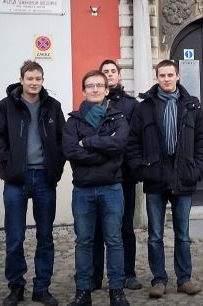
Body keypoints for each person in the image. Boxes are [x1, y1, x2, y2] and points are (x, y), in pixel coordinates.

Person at [126, 60, 203, 298]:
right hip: (155, 178)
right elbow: (133, 143)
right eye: (162, 75)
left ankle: (184, 279)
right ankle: (159, 280)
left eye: (170, 75)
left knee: (182, 235)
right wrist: (141, 170)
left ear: (177, 76)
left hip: (183, 177)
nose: (166, 79)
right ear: (157, 77)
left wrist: (196, 169)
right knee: (155, 235)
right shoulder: (144, 108)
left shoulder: (193, 106)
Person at [0, 60, 66, 306]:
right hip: (16, 181)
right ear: (21, 80)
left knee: (45, 236)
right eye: (30, 78)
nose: (34, 83)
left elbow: (62, 139)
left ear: (43, 80)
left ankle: (42, 288)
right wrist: (9, 162)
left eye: (38, 79)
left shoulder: (53, 106)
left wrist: (56, 167)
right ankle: (16, 287)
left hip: (44, 179)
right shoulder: (5, 106)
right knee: (15, 237)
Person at [63, 70, 131, 306]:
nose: (95, 89)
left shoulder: (118, 118)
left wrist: (89, 143)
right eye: (90, 86)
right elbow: (71, 151)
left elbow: (119, 144)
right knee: (83, 241)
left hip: (111, 188)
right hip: (83, 190)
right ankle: (83, 292)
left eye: (99, 85)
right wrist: (103, 154)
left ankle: (117, 291)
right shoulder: (73, 121)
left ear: (106, 89)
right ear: (83, 91)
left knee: (114, 240)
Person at [90, 60, 142, 291]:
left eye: (113, 71)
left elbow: (134, 139)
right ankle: (95, 276)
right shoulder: (93, 102)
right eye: (105, 72)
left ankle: (128, 273)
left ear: (119, 76)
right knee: (97, 229)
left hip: (125, 175)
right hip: (98, 173)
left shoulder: (131, 105)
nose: (109, 74)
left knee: (125, 227)